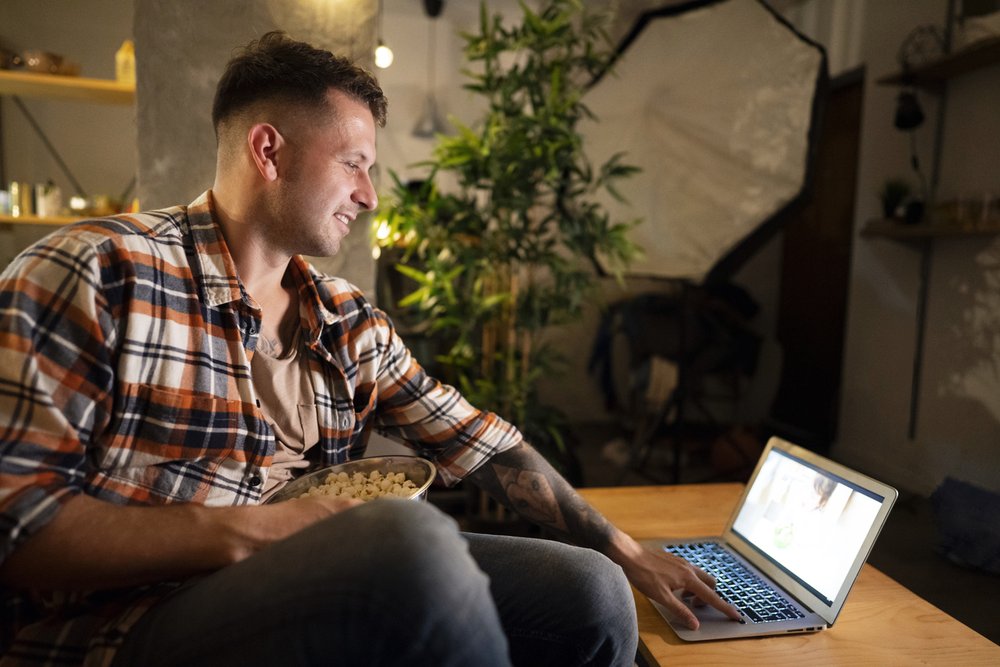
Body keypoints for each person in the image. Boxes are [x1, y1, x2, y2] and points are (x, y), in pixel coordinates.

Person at [0, 31, 739, 666]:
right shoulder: (95, 272)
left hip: (311, 586)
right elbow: (16, 521)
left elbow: (480, 442)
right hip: (130, 623)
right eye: (354, 162)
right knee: (401, 541)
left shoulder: (346, 318)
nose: (372, 193)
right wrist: (257, 530)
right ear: (269, 150)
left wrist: (627, 550)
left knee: (590, 588)